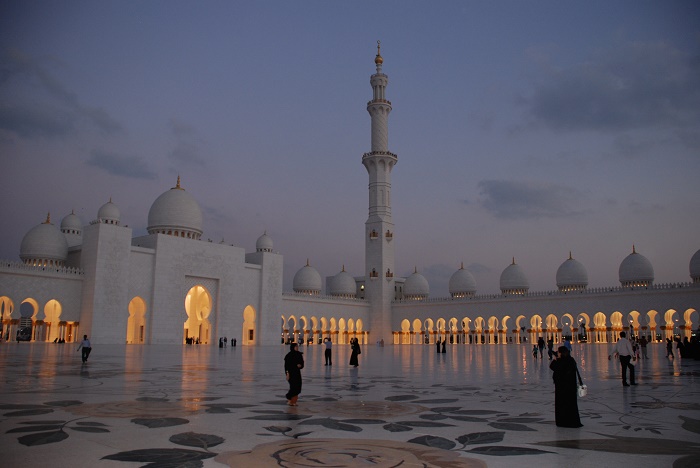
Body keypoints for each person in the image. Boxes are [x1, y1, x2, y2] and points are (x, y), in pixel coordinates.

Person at [549, 346, 583, 428]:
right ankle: (572, 421)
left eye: (559, 352)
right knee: (571, 405)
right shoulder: (571, 360)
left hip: (562, 388)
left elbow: (553, 367)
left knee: (563, 405)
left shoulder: (562, 361)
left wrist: (555, 359)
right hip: (570, 387)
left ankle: (564, 421)